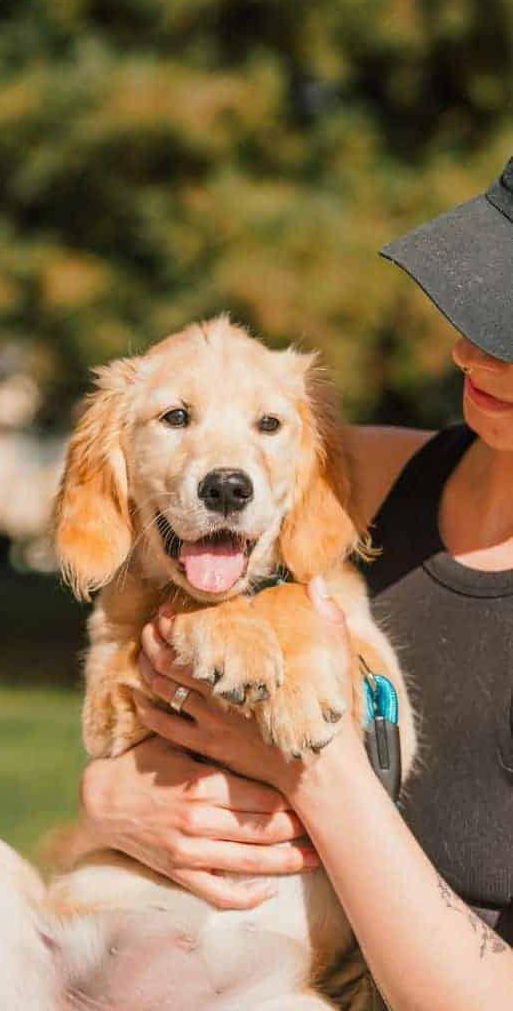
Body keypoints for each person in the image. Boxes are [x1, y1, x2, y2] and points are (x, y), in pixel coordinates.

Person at [78, 156, 513, 1009]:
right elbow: (135, 613)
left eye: (508, 329)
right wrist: (111, 801)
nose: (463, 345)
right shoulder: (371, 477)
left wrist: (320, 772)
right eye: (472, 308)